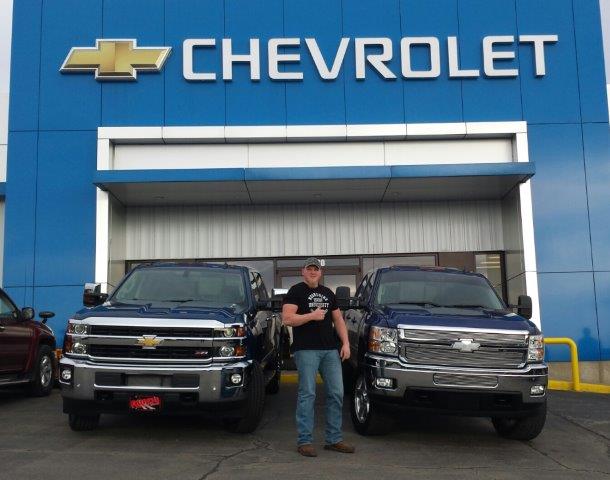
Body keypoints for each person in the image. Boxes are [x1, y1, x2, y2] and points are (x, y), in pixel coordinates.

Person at [282, 257, 355, 457]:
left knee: (336, 393)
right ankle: (304, 441)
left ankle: (334, 439)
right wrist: (311, 316)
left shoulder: (327, 293)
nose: (313, 272)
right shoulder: (295, 291)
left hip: (330, 350)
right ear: (303, 271)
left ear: (320, 272)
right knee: (308, 394)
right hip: (306, 350)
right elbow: (287, 319)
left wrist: (346, 343)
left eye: (316, 269)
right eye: (310, 268)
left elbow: (338, 319)